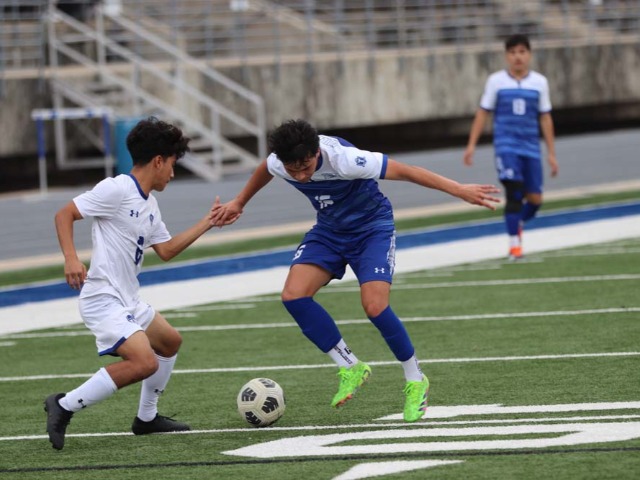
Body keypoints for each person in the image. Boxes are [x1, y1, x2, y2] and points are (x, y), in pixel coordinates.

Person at [211, 119, 500, 422]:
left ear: (316, 153)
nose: (301, 176)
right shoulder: (281, 161)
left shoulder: (345, 160)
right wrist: (239, 202)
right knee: (294, 296)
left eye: (306, 167)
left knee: (375, 306)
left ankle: (416, 379)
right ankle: (350, 365)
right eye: (293, 170)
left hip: (372, 229)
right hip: (329, 231)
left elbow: (407, 171)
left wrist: (459, 190)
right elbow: (265, 168)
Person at [45, 117, 225, 450]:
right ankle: (64, 405)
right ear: (158, 161)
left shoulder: (149, 204)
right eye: (172, 164)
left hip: (127, 299)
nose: (172, 173)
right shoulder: (116, 189)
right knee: (145, 362)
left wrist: (208, 222)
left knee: (169, 342)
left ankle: (146, 418)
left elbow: (166, 250)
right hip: (102, 298)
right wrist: (71, 258)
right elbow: (64, 214)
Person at [463, 33, 559, 260]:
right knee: (514, 191)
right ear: (507, 56)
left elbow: (545, 117)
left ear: (529, 54)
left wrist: (551, 154)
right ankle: (515, 246)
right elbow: (483, 113)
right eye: (513, 52)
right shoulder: (496, 81)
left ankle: (517, 222)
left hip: (531, 148)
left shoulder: (539, 82)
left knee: (535, 200)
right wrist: (471, 145)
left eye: (522, 52)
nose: (518, 57)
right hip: (506, 147)